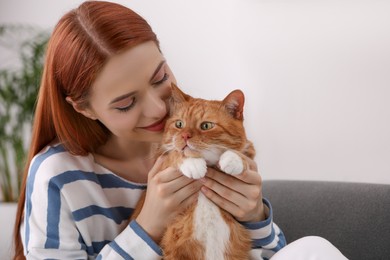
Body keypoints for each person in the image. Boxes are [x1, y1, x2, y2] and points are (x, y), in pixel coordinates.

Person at [12, 1, 347, 259]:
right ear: (83, 108)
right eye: (126, 103)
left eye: (160, 78)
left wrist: (255, 216)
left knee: (312, 249)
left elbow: (270, 253)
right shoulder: (59, 176)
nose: (159, 109)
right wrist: (148, 225)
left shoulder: (202, 138)